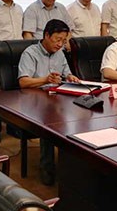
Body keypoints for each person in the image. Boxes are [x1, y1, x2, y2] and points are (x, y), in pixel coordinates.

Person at [17, 19, 80, 185]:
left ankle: (74, 168)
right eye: (57, 39)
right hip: (34, 102)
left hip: (56, 99)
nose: (60, 44)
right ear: (46, 35)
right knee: (49, 122)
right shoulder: (30, 53)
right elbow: (23, 82)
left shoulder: (60, 53)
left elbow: (66, 73)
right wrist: (45, 79)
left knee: (77, 118)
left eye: (63, 41)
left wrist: (71, 77)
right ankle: (47, 168)